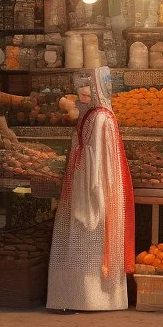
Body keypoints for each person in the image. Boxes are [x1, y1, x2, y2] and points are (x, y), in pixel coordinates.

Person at [46, 66, 135, 312]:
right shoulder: (96, 115)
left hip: (95, 185)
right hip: (88, 183)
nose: (83, 95)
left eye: (87, 91)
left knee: (91, 237)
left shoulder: (101, 118)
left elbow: (99, 159)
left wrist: (94, 188)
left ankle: (90, 296)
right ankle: (81, 295)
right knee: (85, 238)